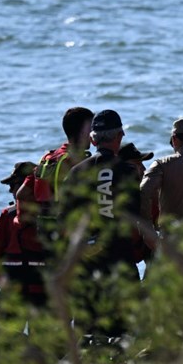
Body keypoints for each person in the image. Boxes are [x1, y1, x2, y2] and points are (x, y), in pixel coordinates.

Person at [64, 109, 143, 338]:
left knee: (87, 330)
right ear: (119, 136)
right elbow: (134, 217)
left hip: (87, 262)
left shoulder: (76, 173)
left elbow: (65, 222)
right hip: (119, 258)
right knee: (125, 331)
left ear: (93, 140)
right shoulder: (127, 172)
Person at [0, 161, 48, 331]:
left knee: (7, 342)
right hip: (43, 293)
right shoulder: (51, 216)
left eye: (13, 185)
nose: (11, 190)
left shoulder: (7, 215)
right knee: (43, 344)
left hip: (13, 293)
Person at [140, 118, 183, 227]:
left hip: (171, 231)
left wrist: (147, 225)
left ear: (174, 140)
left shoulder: (162, 164)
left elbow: (144, 191)